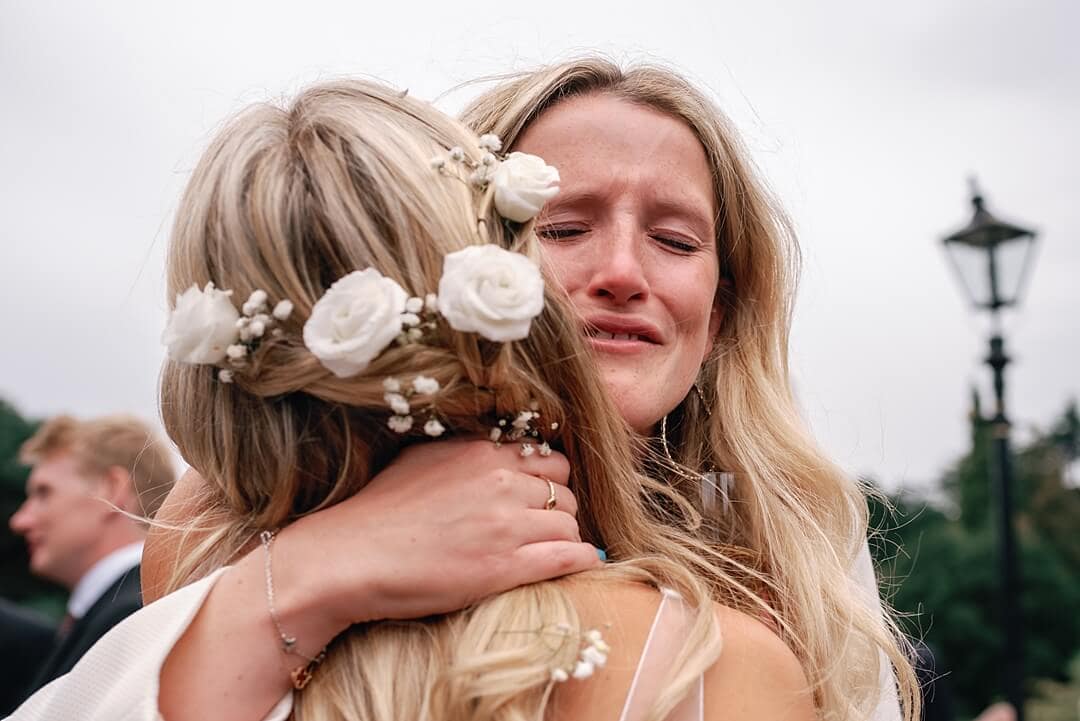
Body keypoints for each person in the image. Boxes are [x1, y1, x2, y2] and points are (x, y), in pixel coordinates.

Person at [15, 60, 918, 720]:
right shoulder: (219, 525)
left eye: (677, 243)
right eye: (564, 226)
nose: (621, 271)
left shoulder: (799, 545)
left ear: (719, 315)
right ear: (455, 250)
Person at [6, 414, 175, 703]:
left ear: (112, 489)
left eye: (43, 493)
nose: (20, 521)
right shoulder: (126, 607)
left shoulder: (133, 617)